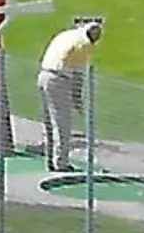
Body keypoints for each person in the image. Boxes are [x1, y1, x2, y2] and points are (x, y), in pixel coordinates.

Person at [37, 20, 101, 172]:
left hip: (43, 75)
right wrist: (78, 101)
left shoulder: (67, 34)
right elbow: (78, 75)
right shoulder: (83, 44)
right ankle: (61, 163)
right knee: (62, 124)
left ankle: (51, 160)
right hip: (59, 79)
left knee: (49, 123)